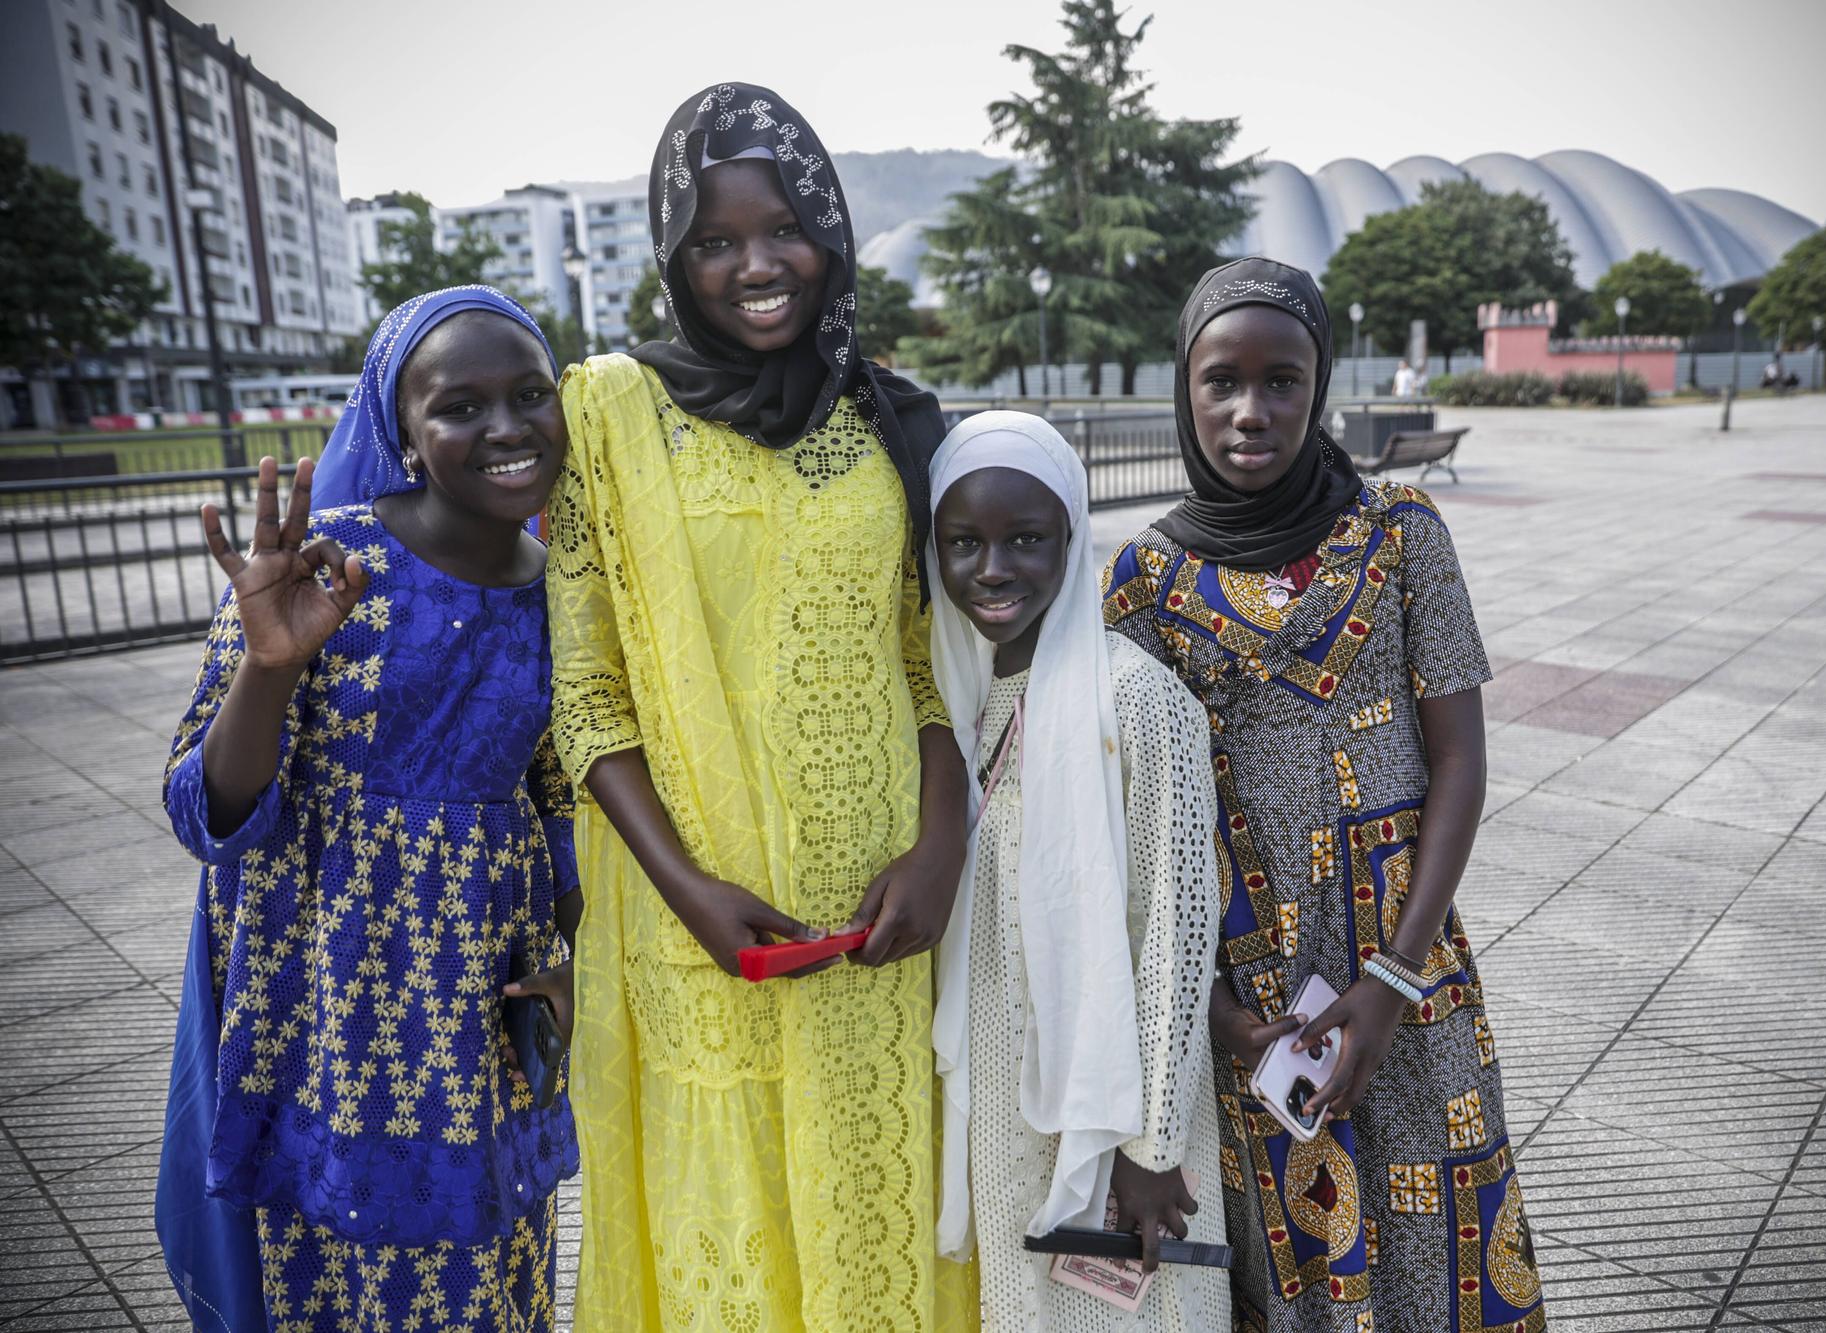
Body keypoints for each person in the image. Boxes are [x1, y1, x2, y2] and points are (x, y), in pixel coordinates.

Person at [548, 83, 967, 1331]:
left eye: (781, 228)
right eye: (716, 242)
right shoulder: (610, 415)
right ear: (674, 257)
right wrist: (689, 891)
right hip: (701, 920)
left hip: (885, 912)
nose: (755, 266)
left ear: (828, 233)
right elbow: (587, 695)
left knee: (876, 1218)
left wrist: (938, 851)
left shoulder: (892, 419)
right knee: (725, 1234)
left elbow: (926, 655)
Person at [1103, 258, 1544, 1333]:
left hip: (1406, 962)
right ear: (1183, 388)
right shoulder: (1145, 580)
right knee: (1287, 1262)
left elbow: (1458, 760)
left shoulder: (1399, 535)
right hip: (1251, 1005)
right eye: (1220, 381)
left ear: (1319, 384)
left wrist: (1392, 979)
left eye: (1281, 379)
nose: (1250, 410)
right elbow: (1132, 819)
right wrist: (1209, 1014)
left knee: (1443, 1234)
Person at [155, 286, 581, 1333]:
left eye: (531, 394)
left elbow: (570, 806)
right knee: (332, 1274)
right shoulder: (324, 565)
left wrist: (581, 956)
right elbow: (207, 811)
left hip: (488, 1002)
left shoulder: (574, 590)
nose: (506, 427)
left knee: (491, 1274)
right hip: (328, 998)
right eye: (460, 406)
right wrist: (268, 665)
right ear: (402, 428)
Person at [925, 412, 1228, 1329]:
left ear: (1071, 536)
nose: (993, 568)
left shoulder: (1135, 698)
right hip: (1000, 1096)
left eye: (1026, 538)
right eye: (963, 542)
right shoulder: (956, 703)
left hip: (1125, 1115)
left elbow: (1177, 930)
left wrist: (1152, 1144)